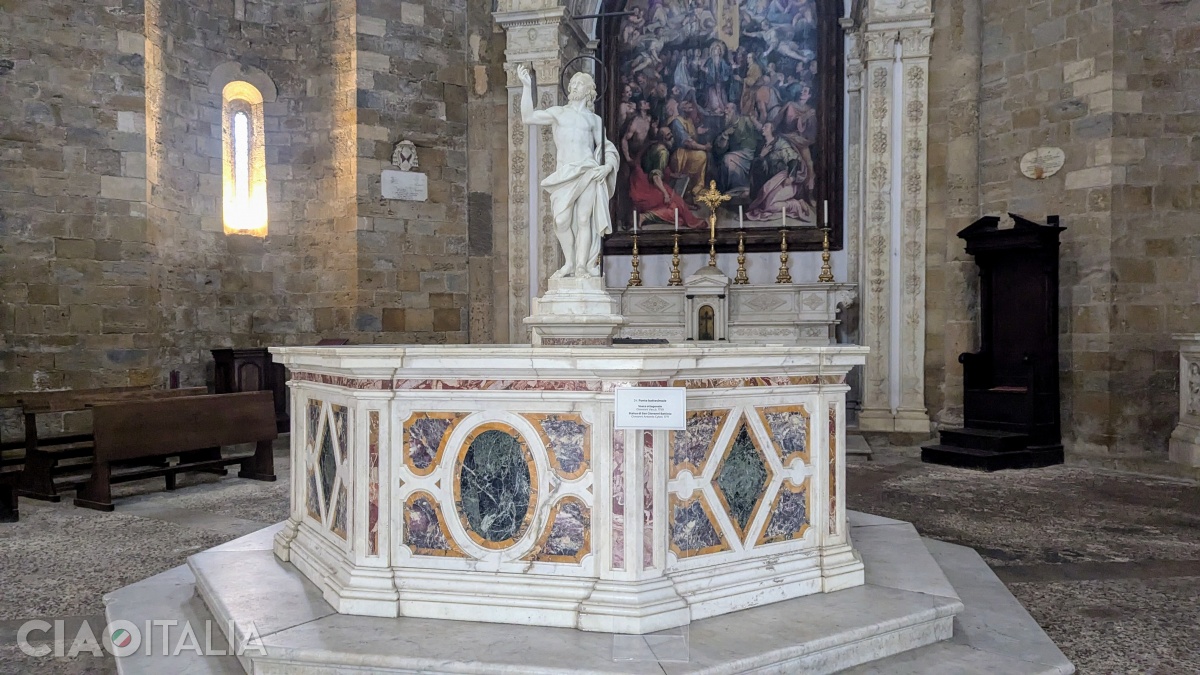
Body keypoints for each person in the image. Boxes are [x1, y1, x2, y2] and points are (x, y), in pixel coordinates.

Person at [518, 65, 620, 279]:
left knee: (584, 219)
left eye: (579, 83)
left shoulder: (594, 120)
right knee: (561, 221)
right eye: (572, 83)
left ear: (589, 90)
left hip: (588, 171)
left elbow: (606, 147)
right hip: (565, 173)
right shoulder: (559, 113)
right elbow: (528, 117)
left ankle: (581, 265)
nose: (574, 86)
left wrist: (607, 167)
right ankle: (569, 262)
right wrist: (527, 87)